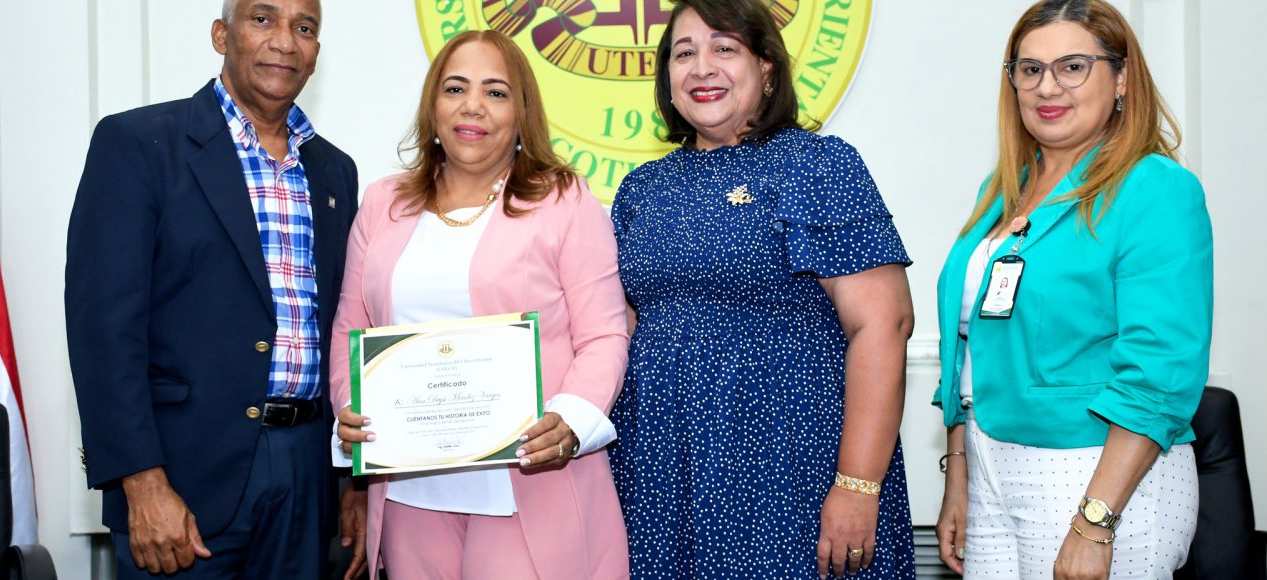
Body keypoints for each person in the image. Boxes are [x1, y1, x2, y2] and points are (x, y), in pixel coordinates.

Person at [608, 0, 917, 577]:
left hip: (789, 467)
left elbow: (884, 324)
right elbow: (619, 331)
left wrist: (858, 485)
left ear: (766, 67)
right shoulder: (641, 188)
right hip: (661, 472)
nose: (702, 67)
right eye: (683, 53)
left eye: (724, 48)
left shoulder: (817, 166)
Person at [66, 0, 366, 577]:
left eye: (304, 28)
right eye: (263, 19)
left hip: (306, 475)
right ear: (220, 35)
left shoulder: (335, 170)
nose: (285, 40)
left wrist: (356, 479)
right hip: (181, 477)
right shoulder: (138, 144)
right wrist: (141, 481)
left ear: (316, 53)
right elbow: (102, 330)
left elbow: (347, 325)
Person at [331, 30, 631, 579]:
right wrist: (353, 413)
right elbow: (353, 326)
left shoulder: (563, 199)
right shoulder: (382, 202)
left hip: (529, 480)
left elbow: (604, 335)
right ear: (433, 107)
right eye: (455, 88)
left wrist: (571, 420)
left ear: (522, 114)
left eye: (495, 92)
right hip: (411, 490)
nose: (473, 105)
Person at [932, 1, 1210, 578]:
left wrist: (1095, 521)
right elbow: (970, 348)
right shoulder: (1003, 190)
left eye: (1073, 67)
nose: (1047, 86)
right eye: (1030, 69)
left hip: (1098, 474)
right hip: (990, 466)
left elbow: (1159, 370)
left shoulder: (1154, 188)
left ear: (1122, 78)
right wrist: (959, 473)